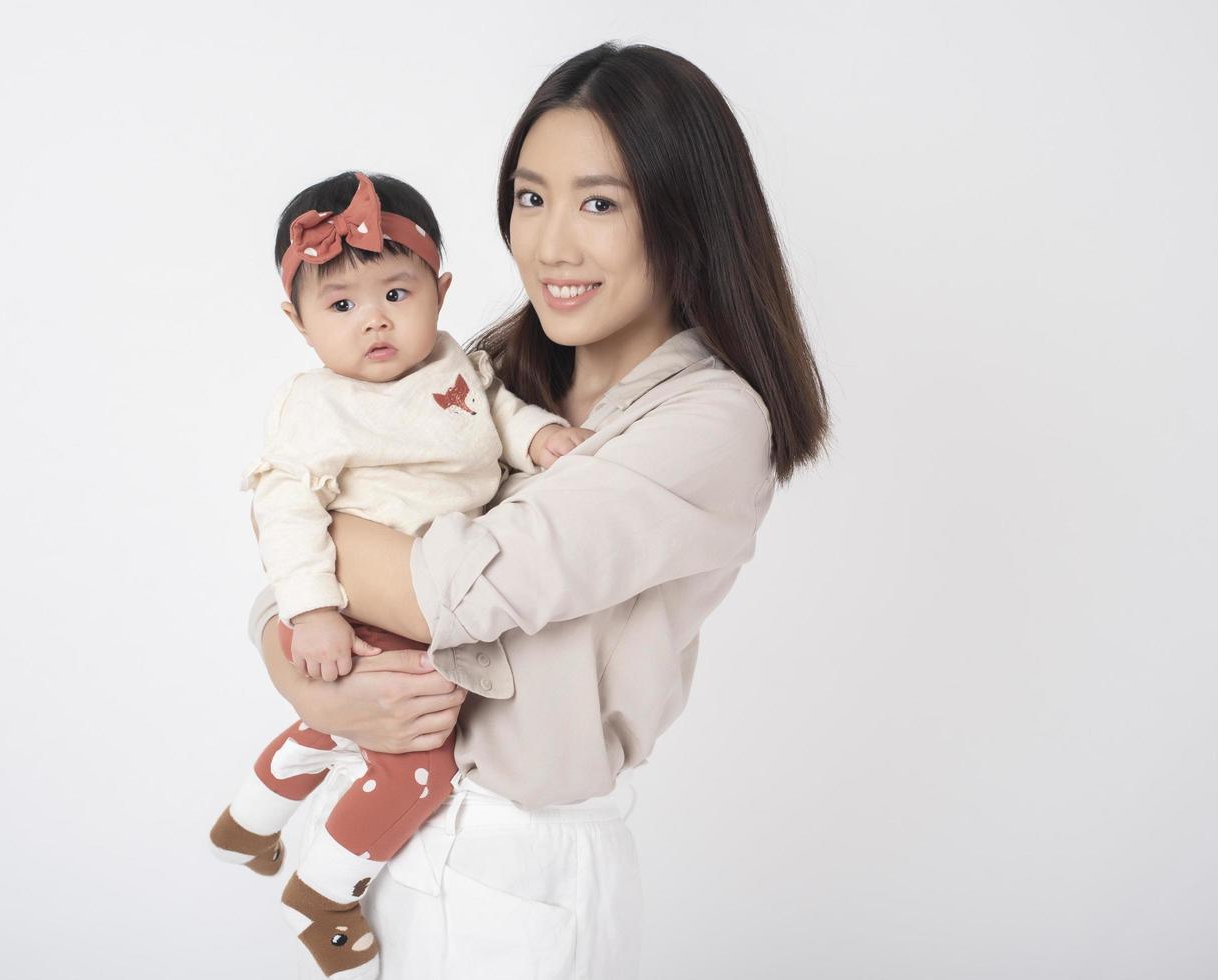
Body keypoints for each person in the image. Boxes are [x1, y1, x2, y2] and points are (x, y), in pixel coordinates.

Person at [246, 41, 829, 979]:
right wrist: (304, 673)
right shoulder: (474, 374)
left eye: (600, 202)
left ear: (686, 217)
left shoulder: (709, 422)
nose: (551, 244)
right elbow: (285, 575)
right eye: (530, 197)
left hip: (517, 868)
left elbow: (456, 593)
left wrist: (306, 532)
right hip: (381, 822)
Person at [209, 169, 591, 979]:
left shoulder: (457, 364)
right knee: (419, 755)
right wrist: (308, 611)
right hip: (359, 603)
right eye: (341, 305)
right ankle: (325, 893)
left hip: (435, 589)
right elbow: (285, 512)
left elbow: (499, 416)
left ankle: (248, 822)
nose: (374, 321)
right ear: (298, 321)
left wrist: (540, 442)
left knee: (348, 720)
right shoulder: (314, 405)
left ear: (441, 292)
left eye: (396, 293)